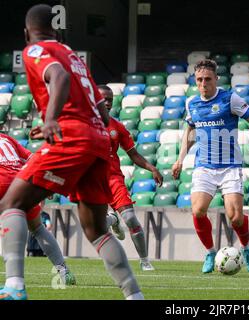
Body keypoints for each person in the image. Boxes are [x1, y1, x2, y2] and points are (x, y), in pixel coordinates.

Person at [0, 4, 142, 300]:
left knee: (12, 202)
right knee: (96, 229)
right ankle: (134, 296)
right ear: (56, 29)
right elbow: (103, 115)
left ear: (27, 32)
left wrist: (52, 119)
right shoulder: (75, 57)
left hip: (72, 136)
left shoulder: (35, 50)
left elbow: (58, 78)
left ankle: (14, 286)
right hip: (99, 141)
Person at [171, 59, 249, 273]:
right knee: (198, 211)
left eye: (208, 79)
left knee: (235, 218)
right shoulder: (192, 104)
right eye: (199, 79)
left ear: (216, 79)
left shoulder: (229, 99)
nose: (203, 83)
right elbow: (190, 132)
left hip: (229, 166)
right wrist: (180, 159)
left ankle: (245, 247)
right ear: (195, 81)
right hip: (204, 166)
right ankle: (209, 252)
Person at [97, 85, 163, 271]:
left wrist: (152, 168)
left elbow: (133, 154)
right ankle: (113, 220)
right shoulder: (84, 124)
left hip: (112, 179)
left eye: (110, 99)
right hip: (91, 181)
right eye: (104, 99)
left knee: (131, 218)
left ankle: (144, 261)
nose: (108, 103)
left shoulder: (117, 127)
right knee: (97, 225)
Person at [0, 133, 75, 285]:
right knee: (38, 228)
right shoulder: (6, 138)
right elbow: (32, 159)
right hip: (19, 181)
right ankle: (64, 272)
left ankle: (14, 283)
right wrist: (47, 182)